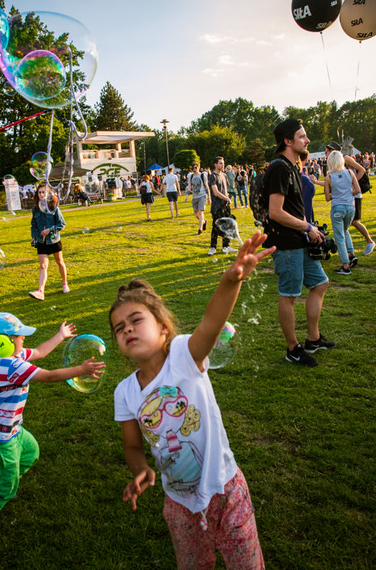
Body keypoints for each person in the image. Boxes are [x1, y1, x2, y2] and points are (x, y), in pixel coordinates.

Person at [111, 236, 272, 570]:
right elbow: (132, 445)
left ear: (163, 327)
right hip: (178, 502)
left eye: (136, 320)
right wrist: (140, 469)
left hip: (226, 489)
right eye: (119, 328)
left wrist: (232, 279)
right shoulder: (124, 393)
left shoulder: (184, 355)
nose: (127, 329)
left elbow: (211, 323)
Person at [0, 312, 104, 544]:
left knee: (31, 452)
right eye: (19, 335)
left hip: (13, 430)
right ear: (2, 342)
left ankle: (5, 480)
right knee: (7, 483)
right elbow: (51, 376)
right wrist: (80, 371)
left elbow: (41, 352)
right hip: (1, 439)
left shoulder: (12, 357)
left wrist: (60, 335)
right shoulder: (11, 366)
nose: (23, 339)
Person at [265, 118, 334, 367]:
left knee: (320, 283)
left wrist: (311, 230)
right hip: (285, 244)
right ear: (288, 141)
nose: (307, 140)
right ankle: (293, 349)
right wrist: (306, 227)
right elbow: (275, 211)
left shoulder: (293, 166)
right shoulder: (279, 168)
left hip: (300, 240)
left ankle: (313, 339)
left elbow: (295, 208)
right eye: (302, 136)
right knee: (289, 295)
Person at [325, 143, 374, 257]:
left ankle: (369, 241)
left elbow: (361, 170)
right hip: (347, 196)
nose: (326, 154)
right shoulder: (336, 164)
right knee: (344, 225)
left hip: (353, 195)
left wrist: (352, 183)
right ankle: (345, 249)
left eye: (327, 151)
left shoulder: (345, 158)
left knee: (354, 222)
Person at [28, 184, 69, 301]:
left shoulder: (54, 207)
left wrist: (50, 229)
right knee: (43, 265)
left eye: (43, 192)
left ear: (48, 194)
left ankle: (65, 283)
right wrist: (34, 237)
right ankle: (40, 291)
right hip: (41, 241)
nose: (41, 194)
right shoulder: (35, 209)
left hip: (54, 239)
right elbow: (33, 225)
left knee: (59, 262)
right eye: (39, 192)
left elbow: (62, 224)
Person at [324, 151, 361, 276]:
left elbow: (327, 198)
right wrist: (348, 194)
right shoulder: (349, 173)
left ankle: (345, 265)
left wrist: (336, 194)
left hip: (337, 208)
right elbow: (357, 189)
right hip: (350, 207)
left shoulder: (329, 177)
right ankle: (351, 254)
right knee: (345, 231)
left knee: (339, 236)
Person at [207, 157, 235, 256]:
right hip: (216, 206)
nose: (222, 165)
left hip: (225, 206)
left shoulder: (224, 175)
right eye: (220, 163)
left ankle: (226, 246)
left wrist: (228, 200)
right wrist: (226, 198)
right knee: (216, 227)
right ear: (215, 164)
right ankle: (213, 247)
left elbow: (225, 190)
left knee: (228, 225)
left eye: (223, 163)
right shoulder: (212, 176)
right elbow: (215, 192)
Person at [187, 162, 209, 235]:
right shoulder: (191, 176)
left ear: (199, 167)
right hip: (195, 196)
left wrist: (209, 198)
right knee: (196, 214)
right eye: (193, 167)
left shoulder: (202, 175)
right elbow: (189, 186)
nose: (194, 169)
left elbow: (206, 186)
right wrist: (188, 193)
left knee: (200, 212)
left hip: (202, 195)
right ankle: (203, 222)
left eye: (196, 167)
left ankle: (200, 229)